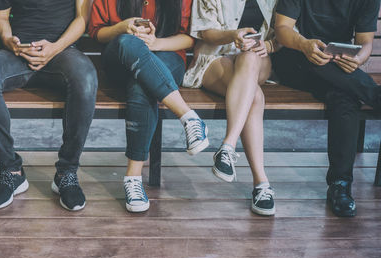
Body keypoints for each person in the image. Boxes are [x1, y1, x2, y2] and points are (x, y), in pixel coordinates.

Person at [0, 0, 97, 211]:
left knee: (86, 80)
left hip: (62, 52)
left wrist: (55, 48)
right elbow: (1, 19)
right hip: (18, 53)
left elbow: (82, 19)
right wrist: (9, 39)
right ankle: (11, 171)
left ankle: (67, 173)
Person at [89, 0, 208, 213]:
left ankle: (133, 178)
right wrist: (121, 27)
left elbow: (190, 38)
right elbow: (97, 32)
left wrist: (155, 44)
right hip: (120, 60)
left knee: (141, 84)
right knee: (127, 42)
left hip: (167, 56)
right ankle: (188, 116)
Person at [272, 0, 381, 217]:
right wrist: (304, 44)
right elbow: (282, 29)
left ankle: (340, 185)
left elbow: (365, 41)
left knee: (345, 98)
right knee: (337, 79)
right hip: (295, 59)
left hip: (339, 70)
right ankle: (376, 96)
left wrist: (358, 59)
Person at [183, 0, 279, 215]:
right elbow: (205, 31)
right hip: (215, 59)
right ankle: (261, 183)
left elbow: (284, 31)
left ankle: (227, 146)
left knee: (250, 57)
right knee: (253, 95)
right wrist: (233, 35)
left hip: (257, 60)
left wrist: (269, 45)